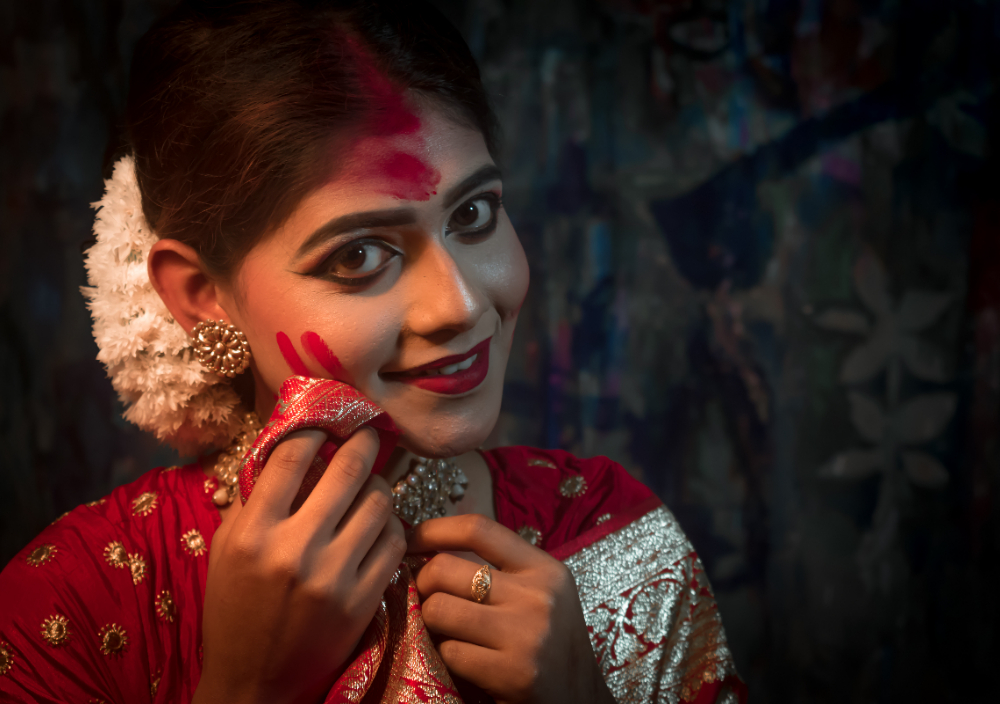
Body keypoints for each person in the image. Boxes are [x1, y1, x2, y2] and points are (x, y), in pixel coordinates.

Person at [0, 1, 746, 702]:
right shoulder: (75, 600)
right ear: (201, 295)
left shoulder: (609, 538)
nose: (460, 305)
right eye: (358, 256)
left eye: (474, 214)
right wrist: (245, 688)